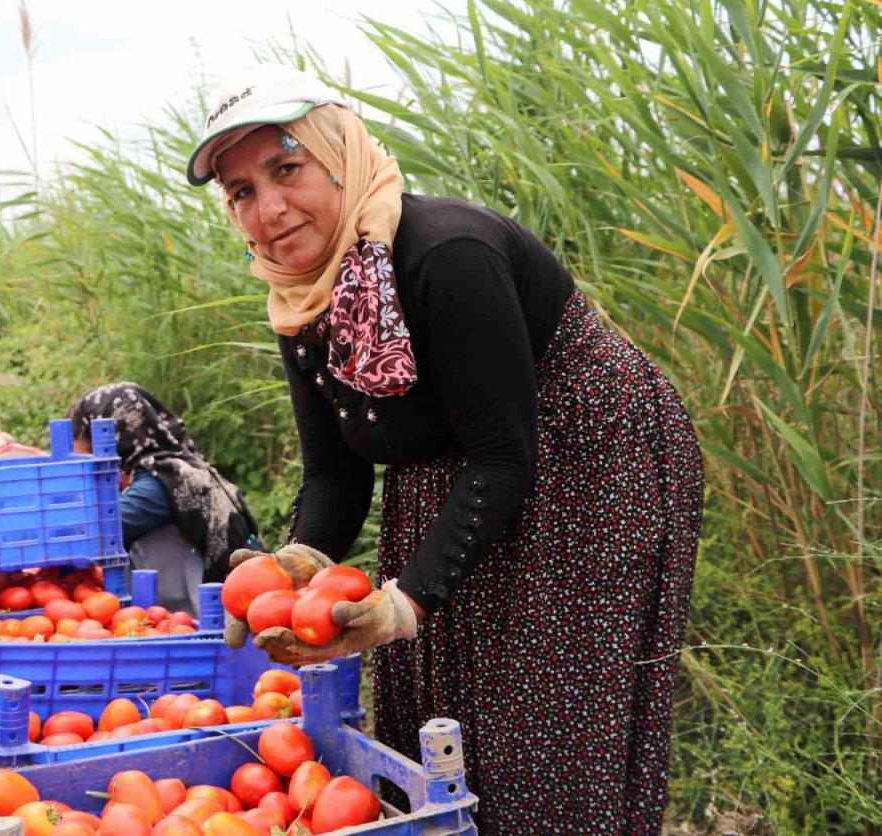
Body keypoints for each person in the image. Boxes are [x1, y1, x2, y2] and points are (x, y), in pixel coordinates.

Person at [186, 65, 705, 833]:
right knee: (443, 688)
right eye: (240, 192)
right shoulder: (300, 298)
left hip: (585, 456)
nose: (267, 209)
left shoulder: (442, 254)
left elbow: (505, 455)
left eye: (285, 169)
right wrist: (298, 564)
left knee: (545, 702)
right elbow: (336, 470)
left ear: (339, 156)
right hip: (460, 462)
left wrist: (403, 601)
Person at [69, 383, 263, 617]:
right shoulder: (177, 466)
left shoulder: (162, 479)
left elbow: (100, 531)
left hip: (234, 610)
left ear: (113, 438)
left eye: (83, 454)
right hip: (243, 596)